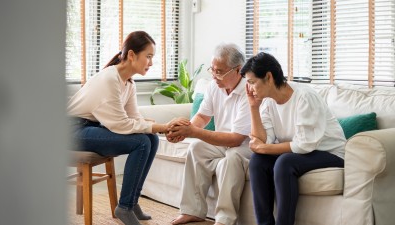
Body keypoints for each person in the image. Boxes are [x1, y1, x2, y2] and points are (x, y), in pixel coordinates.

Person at [67, 31, 189, 225]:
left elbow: (134, 118)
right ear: (131, 55)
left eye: (152, 57)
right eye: (148, 56)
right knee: (140, 142)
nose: (151, 62)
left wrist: (160, 128)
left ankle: (131, 202)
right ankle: (124, 207)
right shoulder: (109, 80)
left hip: (91, 127)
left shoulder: (128, 82)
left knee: (151, 139)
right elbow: (121, 124)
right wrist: (162, 126)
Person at [240, 52, 346, 225]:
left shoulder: (304, 96)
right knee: (258, 161)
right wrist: (253, 107)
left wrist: (264, 148)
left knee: (285, 162)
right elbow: (262, 141)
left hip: (330, 152)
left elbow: (304, 144)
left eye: (252, 82)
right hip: (301, 152)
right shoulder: (267, 101)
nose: (250, 88)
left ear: (268, 77)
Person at [168, 43, 252, 225]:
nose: (214, 76)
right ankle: (193, 210)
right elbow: (203, 116)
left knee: (232, 157)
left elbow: (237, 139)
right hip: (224, 142)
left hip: (246, 146)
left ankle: (224, 219)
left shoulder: (249, 90)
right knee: (197, 147)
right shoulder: (215, 86)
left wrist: (193, 131)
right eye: (212, 70)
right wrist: (184, 130)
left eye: (219, 71)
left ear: (238, 70)